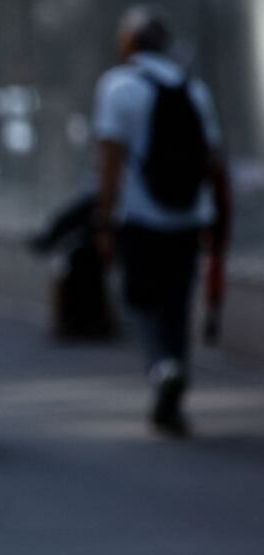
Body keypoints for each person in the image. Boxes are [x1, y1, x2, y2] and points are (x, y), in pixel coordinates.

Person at [92, 6, 231, 436]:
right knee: (176, 300)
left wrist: (104, 215)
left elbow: (111, 156)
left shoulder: (117, 85)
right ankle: (174, 387)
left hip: (140, 215)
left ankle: (162, 367)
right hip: (188, 214)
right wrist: (214, 213)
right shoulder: (194, 89)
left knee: (139, 300)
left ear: (130, 43)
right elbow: (212, 157)